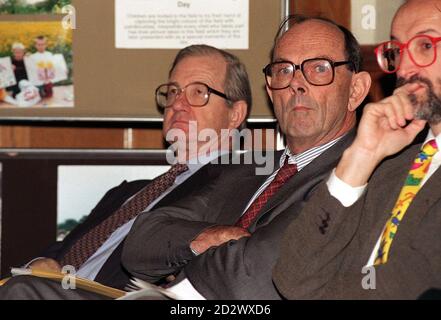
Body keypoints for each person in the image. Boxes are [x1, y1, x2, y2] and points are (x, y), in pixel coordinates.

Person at [121, 15, 371, 299]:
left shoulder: (359, 175)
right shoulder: (243, 168)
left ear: (355, 90)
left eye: (318, 68)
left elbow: (253, 275)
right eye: (284, 70)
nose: (296, 84)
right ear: (270, 90)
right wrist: (209, 236)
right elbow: (141, 242)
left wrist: (192, 265)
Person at [0, 44, 265, 299]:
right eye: (173, 91)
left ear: (235, 114)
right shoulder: (127, 192)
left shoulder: (241, 188)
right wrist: (38, 264)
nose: (178, 103)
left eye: (198, 92)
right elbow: (60, 250)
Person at [273, 0, 441, 300]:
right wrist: (361, 156)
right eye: (398, 51)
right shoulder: (390, 168)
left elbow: (415, 280)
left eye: (426, 46)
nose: (403, 67)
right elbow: (293, 279)